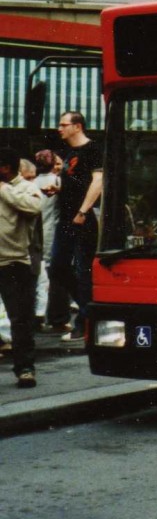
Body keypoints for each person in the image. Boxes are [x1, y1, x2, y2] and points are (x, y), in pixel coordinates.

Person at [52, 111, 103, 346]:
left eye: (63, 125)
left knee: (84, 270)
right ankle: (87, 312)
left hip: (82, 218)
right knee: (58, 267)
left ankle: (84, 323)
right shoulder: (70, 153)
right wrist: (56, 188)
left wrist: (83, 211)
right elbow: (72, 181)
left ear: (77, 126)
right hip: (66, 218)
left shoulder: (92, 149)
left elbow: (98, 181)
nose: (59, 129)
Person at [0, 147, 45, 388]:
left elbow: (34, 208)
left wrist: (4, 190)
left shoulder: (26, 187)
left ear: (5, 168)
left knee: (20, 319)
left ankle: (25, 368)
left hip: (15, 262)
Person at [32, 150, 68, 333]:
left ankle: (39, 315)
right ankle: (55, 317)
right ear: (53, 164)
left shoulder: (31, 183)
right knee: (52, 275)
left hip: (37, 234)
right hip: (53, 231)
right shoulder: (58, 182)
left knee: (40, 274)